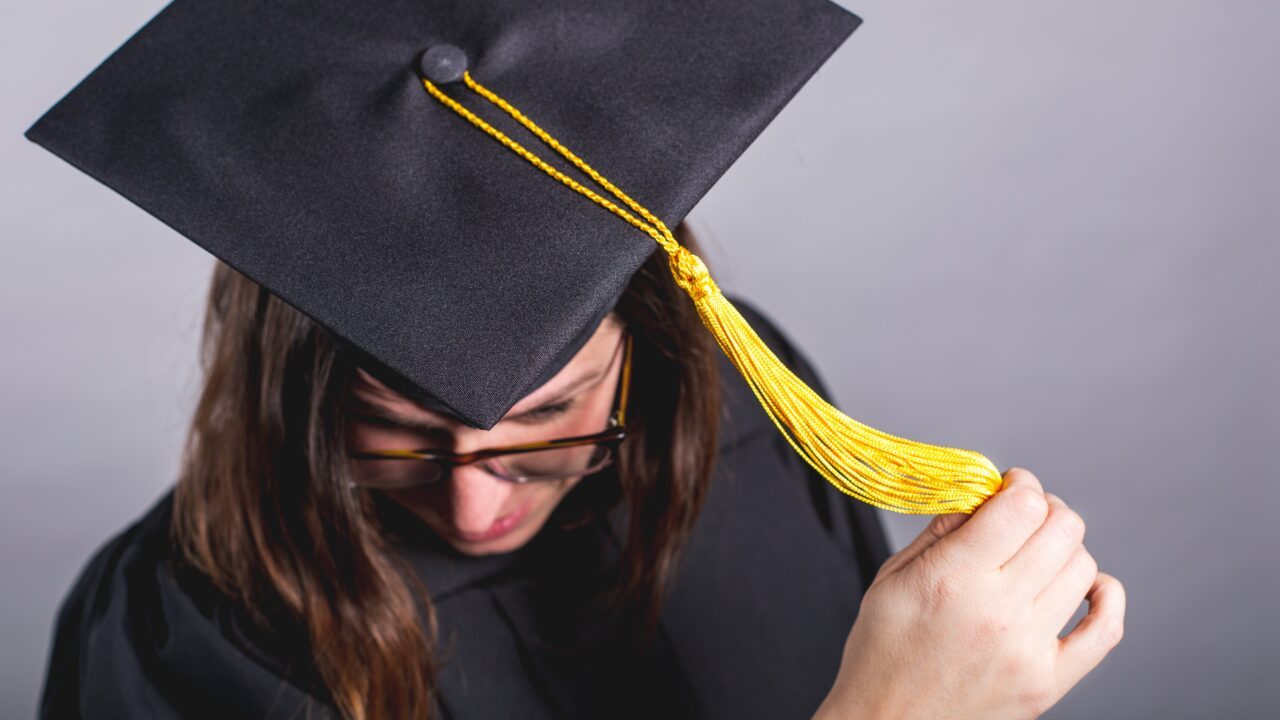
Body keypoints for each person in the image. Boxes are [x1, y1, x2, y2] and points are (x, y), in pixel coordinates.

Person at [26, 1, 1124, 718]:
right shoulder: (178, 633)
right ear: (293, 393)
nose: (467, 503)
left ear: (651, 339)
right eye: (394, 431)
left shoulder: (741, 410)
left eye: (549, 424)